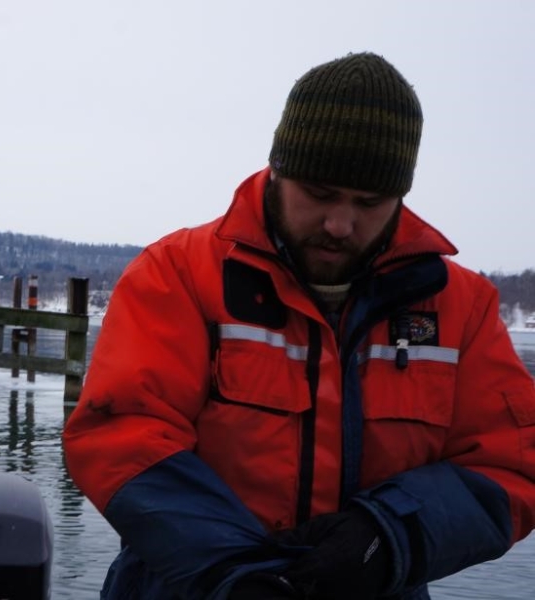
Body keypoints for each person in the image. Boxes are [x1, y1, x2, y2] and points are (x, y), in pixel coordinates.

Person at [62, 51, 535, 600]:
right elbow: (120, 433)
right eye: (319, 194)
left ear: (401, 196)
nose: (339, 223)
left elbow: (513, 464)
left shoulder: (462, 307)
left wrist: (388, 535)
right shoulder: (177, 275)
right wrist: (236, 576)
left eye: (369, 202)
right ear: (279, 169)